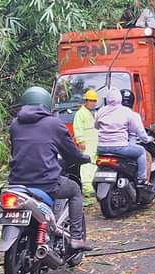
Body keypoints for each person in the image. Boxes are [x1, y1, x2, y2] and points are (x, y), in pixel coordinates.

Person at [8, 86, 92, 251]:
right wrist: (82, 158)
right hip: (45, 182)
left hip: (17, 183)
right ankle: (76, 237)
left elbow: (16, 151)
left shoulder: (15, 124)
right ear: (47, 103)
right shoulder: (53, 123)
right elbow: (70, 153)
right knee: (74, 190)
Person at [95, 88, 151, 183]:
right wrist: (147, 139)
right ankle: (142, 179)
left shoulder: (100, 111)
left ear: (106, 99)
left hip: (101, 148)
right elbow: (140, 131)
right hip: (119, 147)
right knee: (141, 151)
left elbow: (96, 126)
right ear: (120, 99)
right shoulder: (127, 112)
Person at [73, 89, 99, 196]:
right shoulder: (80, 113)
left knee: (94, 165)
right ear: (86, 101)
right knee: (86, 165)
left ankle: (93, 187)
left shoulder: (94, 113)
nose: (93, 103)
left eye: (94, 101)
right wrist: (80, 141)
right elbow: (77, 128)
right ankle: (87, 189)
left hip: (95, 144)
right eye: (91, 101)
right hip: (86, 144)